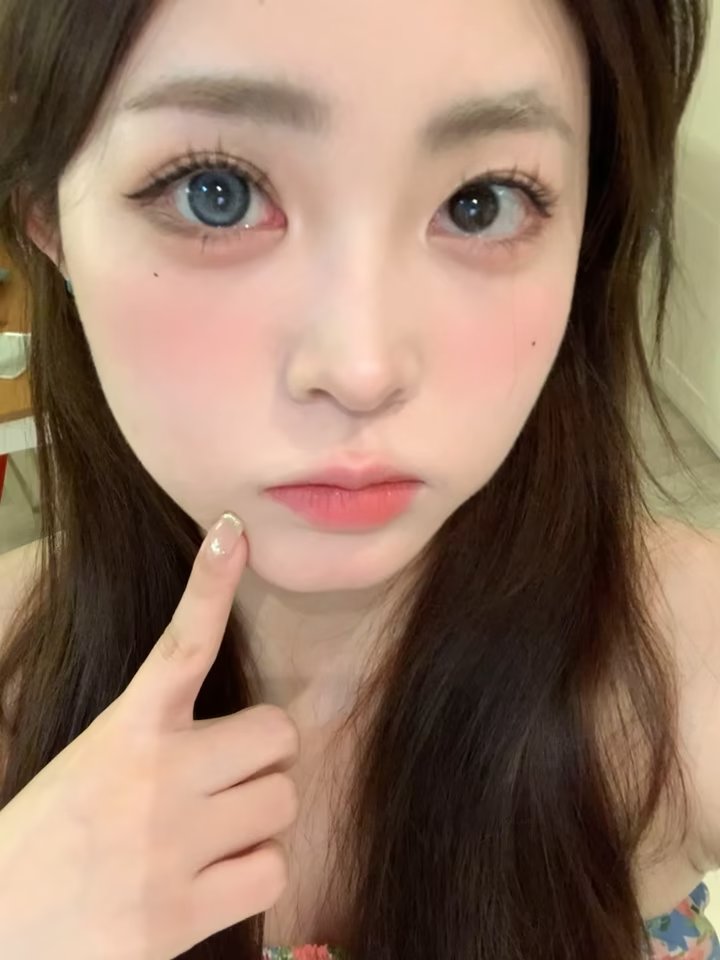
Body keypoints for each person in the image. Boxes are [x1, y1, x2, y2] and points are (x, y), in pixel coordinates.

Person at [0, 0, 715, 957]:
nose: (362, 369)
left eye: (483, 201)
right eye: (216, 192)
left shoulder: (685, 662)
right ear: (46, 213)